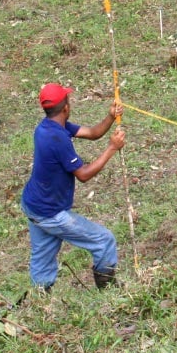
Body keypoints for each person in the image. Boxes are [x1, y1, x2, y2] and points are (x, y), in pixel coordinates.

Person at [20, 83, 126, 292]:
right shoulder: (57, 138)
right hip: (51, 213)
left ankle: (39, 304)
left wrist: (111, 116)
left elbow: (93, 133)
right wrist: (112, 148)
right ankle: (109, 292)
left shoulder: (48, 126)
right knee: (104, 241)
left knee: (42, 264)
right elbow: (83, 174)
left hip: (34, 206)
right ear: (66, 107)